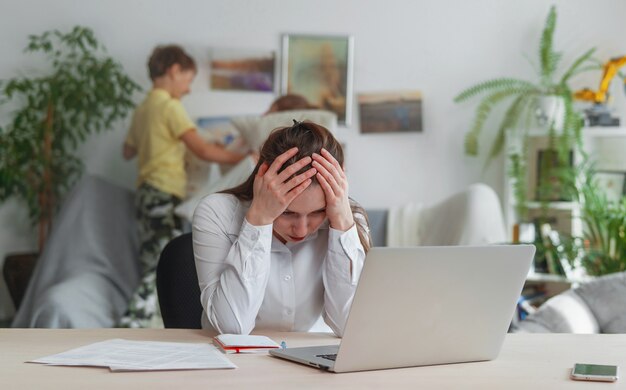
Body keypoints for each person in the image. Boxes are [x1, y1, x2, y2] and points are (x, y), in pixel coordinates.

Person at [192, 120, 371, 336]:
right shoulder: (216, 212)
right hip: (231, 359)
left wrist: (342, 223)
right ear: (264, 182)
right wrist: (259, 219)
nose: (301, 230)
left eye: (317, 212)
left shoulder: (349, 218)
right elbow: (231, 326)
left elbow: (349, 326)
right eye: (287, 213)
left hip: (308, 357)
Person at [120, 45, 249, 328]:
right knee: (162, 264)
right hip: (163, 192)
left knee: (151, 260)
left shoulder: (142, 109)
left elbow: (127, 151)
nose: (188, 89)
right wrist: (246, 158)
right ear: (174, 71)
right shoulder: (169, 106)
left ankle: (147, 323)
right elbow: (203, 150)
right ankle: (132, 324)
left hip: (144, 193)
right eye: (188, 81)